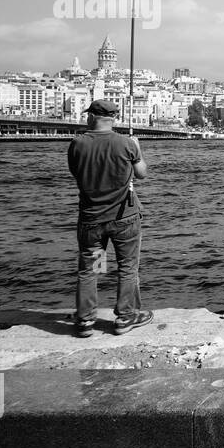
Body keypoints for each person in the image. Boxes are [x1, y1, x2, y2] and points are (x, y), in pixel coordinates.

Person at [67, 99, 152, 337]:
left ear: (93, 116)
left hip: (92, 220)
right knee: (127, 267)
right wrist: (137, 148)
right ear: (112, 118)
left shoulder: (77, 144)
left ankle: (86, 320)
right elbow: (141, 173)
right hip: (124, 219)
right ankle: (125, 317)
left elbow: (76, 173)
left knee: (92, 269)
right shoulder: (126, 144)